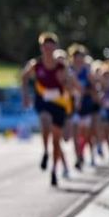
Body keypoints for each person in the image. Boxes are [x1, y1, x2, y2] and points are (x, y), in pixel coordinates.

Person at [21, 32, 74, 186]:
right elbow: (24, 77)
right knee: (45, 119)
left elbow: (71, 88)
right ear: (42, 48)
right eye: (46, 47)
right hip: (42, 101)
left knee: (56, 141)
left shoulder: (62, 66)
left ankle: (54, 171)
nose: (48, 50)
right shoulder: (35, 65)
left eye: (51, 47)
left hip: (59, 104)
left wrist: (63, 81)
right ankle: (45, 151)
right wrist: (25, 95)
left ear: (55, 48)